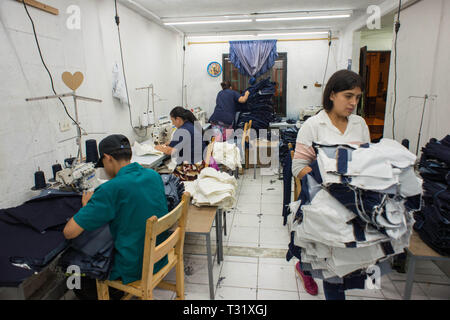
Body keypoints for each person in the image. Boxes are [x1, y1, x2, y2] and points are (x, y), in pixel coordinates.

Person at [291, 69, 370, 300]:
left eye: (357, 97)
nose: (353, 103)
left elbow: (367, 161)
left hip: (353, 202)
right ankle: (305, 270)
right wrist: (325, 184)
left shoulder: (360, 125)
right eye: (348, 96)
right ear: (332, 95)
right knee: (329, 266)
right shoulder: (314, 126)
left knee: (347, 258)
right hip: (323, 201)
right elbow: (298, 166)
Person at [63, 134, 170, 300]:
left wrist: (87, 206)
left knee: (75, 271)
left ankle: (115, 292)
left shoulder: (110, 190)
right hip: (159, 257)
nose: (104, 169)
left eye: (103, 164)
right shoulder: (153, 176)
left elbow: (69, 232)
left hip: (135, 267)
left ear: (108, 158)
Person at [155, 107, 207, 180]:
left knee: (157, 173)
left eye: (172, 121)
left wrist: (157, 147)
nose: (172, 123)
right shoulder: (190, 125)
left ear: (178, 119)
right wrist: (170, 143)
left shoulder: (182, 130)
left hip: (192, 170)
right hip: (201, 166)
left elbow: (170, 151)